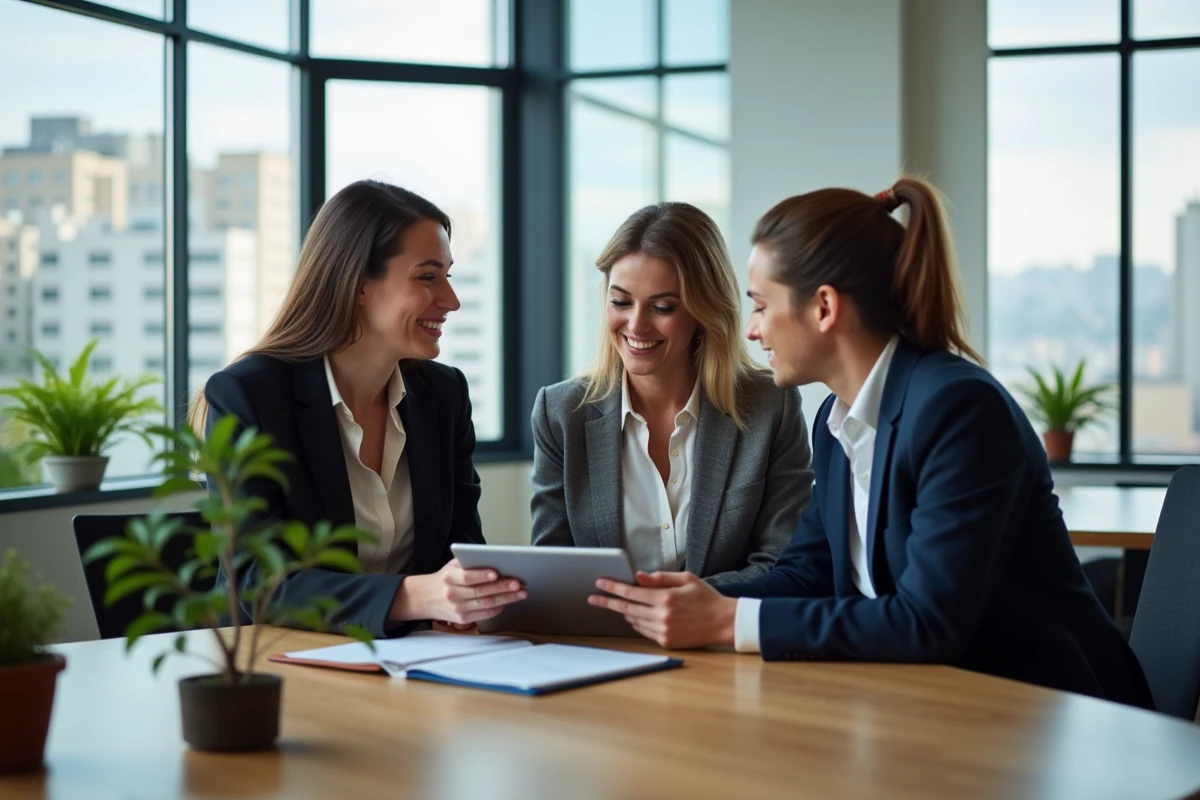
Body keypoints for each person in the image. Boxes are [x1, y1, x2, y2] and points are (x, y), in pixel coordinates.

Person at [588, 178, 1154, 708]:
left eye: (761, 306)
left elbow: (927, 622)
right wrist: (702, 601)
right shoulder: (836, 422)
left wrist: (724, 623)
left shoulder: (958, 410)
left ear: (825, 308)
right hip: (931, 706)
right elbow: (810, 571)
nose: (752, 330)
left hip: (1052, 714)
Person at [193, 180, 526, 638]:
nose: (451, 300)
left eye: (448, 275)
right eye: (428, 277)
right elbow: (257, 584)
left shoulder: (442, 396)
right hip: (279, 667)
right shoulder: (248, 397)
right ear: (358, 284)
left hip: (420, 664)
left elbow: (460, 551)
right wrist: (412, 596)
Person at [531, 202, 813, 583]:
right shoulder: (560, 412)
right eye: (620, 301)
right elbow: (552, 568)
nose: (636, 325)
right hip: (602, 640)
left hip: (719, 638)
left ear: (705, 310)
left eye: (662, 307)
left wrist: (680, 606)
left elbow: (783, 561)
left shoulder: (770, 405)